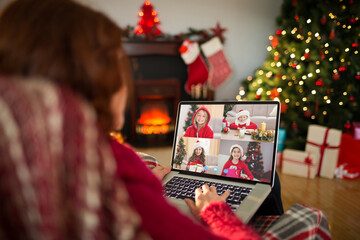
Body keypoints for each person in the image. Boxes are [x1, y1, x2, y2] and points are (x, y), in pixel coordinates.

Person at [0, 0, 262, 239]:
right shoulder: (115, 177)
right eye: (119, 66)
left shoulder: (21, 154)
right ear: (97, 79)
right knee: (268, 189)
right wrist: (215, 211)